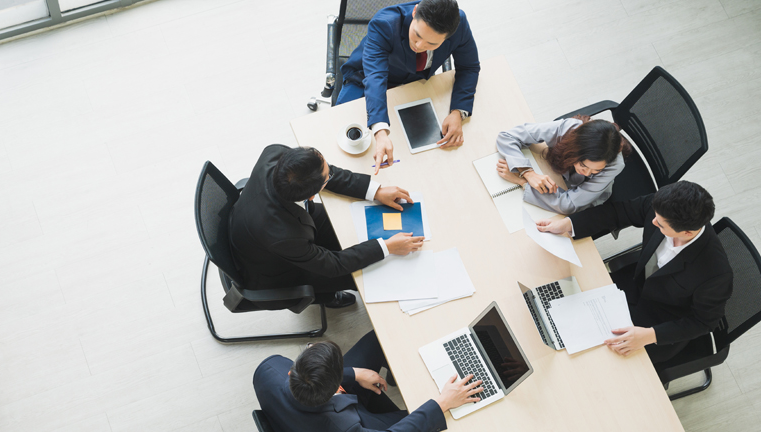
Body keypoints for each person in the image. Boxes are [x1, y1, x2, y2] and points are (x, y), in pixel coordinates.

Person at [536, 181, 733, 364]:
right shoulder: (663, 208)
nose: (653, 221)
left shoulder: (716, 273)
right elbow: (618, 212)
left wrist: (650, 335)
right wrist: (569, 224)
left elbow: (702, 322)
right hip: (630, 284)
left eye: (661, 224)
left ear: (687, 233)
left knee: (589, 361)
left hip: (657, 324)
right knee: (556, 311)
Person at [253, 331, 483, 432]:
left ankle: (393, 378)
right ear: (335, 389)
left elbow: (306, 377)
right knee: (442, 417)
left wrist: (352, 373)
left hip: (309, 418)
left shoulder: (268, 370)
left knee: (379, 338)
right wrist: (442, 402)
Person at [229, 144, 425, 308]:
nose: (329, 169)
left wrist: (375, 191)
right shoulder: (284, 235)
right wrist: (387, 247)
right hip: (275, 269)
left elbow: (323, 174)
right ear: (312, 195)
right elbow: (334, 265)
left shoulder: (274, 154)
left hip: (266, 224)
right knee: (367, 273)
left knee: (350, 228)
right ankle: (327, 297)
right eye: (327, 177)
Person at [337, 0, 480, 174]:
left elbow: (469, 67)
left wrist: (458, 111)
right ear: (414, 12)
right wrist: (380, 130)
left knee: (419, 158)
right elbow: (375, 78)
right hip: (364, 79)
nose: (419, 46)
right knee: (341, 142)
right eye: (417, 35)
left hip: (415, 84)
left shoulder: (459, 23)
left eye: (432, 44)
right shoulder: (385, 24)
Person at [495, 116, 631, 214]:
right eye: (584, 165)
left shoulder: (615, 166)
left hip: (582, 196)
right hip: (556, 174)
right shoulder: (569, 128)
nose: (588, 173)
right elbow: (507, 137)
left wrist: (523, 181)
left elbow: (569, 205)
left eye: (597, 170)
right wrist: (528, 172)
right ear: (575, 149)